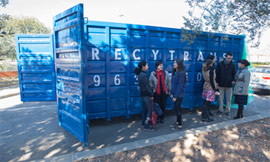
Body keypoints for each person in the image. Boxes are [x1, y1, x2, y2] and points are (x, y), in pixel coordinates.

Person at [134, 61, 154, 131]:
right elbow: (147, 86)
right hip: (146, 95)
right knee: (149, 110)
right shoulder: (144, 75)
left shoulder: (140, 74)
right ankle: (146, 126)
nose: (148, 67)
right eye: (147, 65)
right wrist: (151, 94)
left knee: (144, 109)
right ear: (143, 67)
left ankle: (143, 122)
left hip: (143, 94)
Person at [170, 59, 186, 130]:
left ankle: (180, 124)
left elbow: (179, 86)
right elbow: (173, 84)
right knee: (176, 108)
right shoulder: (175, 72)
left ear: (179, 64)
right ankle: (177, 121)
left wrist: (175, 96)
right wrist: (171, 93)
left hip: (179, 95)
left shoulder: (181, 73)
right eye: (174, 63)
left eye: (175, 63)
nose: (174, 64)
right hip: (175, 94)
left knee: (177, 109)